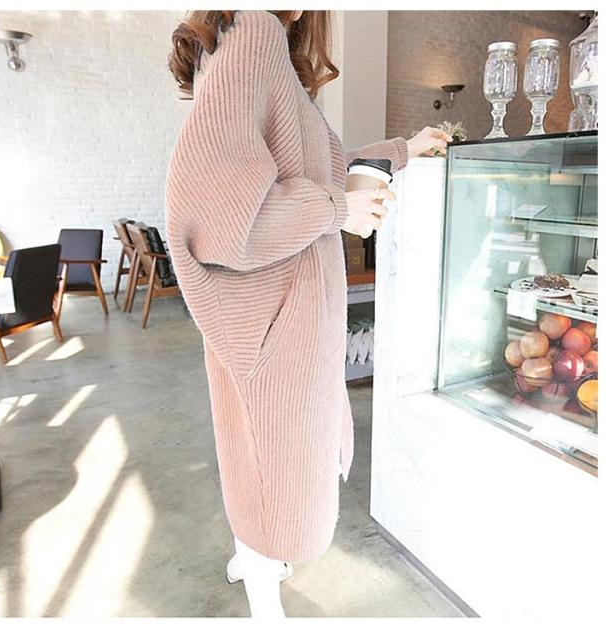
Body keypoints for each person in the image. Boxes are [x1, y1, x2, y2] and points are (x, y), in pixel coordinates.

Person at [165, 9, 450, 618]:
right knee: (279, 466)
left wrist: (400, 150)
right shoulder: (255, 32)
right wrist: (336, 209)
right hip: (278, 319)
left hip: (272, 315)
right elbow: (212, 214)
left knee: (258, 450)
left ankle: (253, 556)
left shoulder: (240, 38)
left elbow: (313, 169)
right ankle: (264, 593)